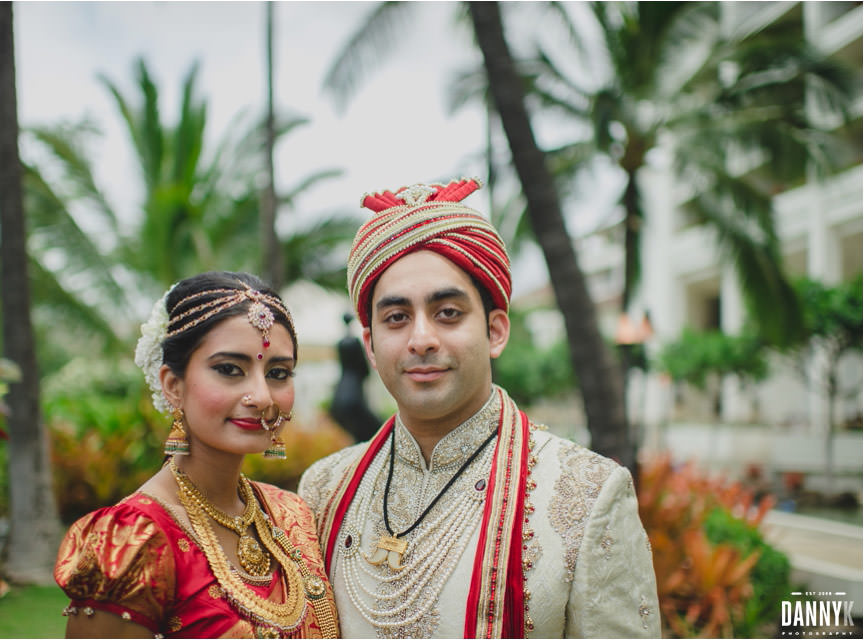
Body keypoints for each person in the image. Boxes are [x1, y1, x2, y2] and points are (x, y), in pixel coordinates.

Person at [299, 179, 661, 638]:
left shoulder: (588, 494)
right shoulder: (324, 490)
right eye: (396, 318)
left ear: (495, 332)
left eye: (448, 313)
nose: (422, 339)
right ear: (370, 344)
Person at [55, 272, 339, 639]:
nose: (262, 396)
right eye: (229, 370)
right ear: (173, 385)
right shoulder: (131, 541)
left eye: (278, 373)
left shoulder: (292, 515)